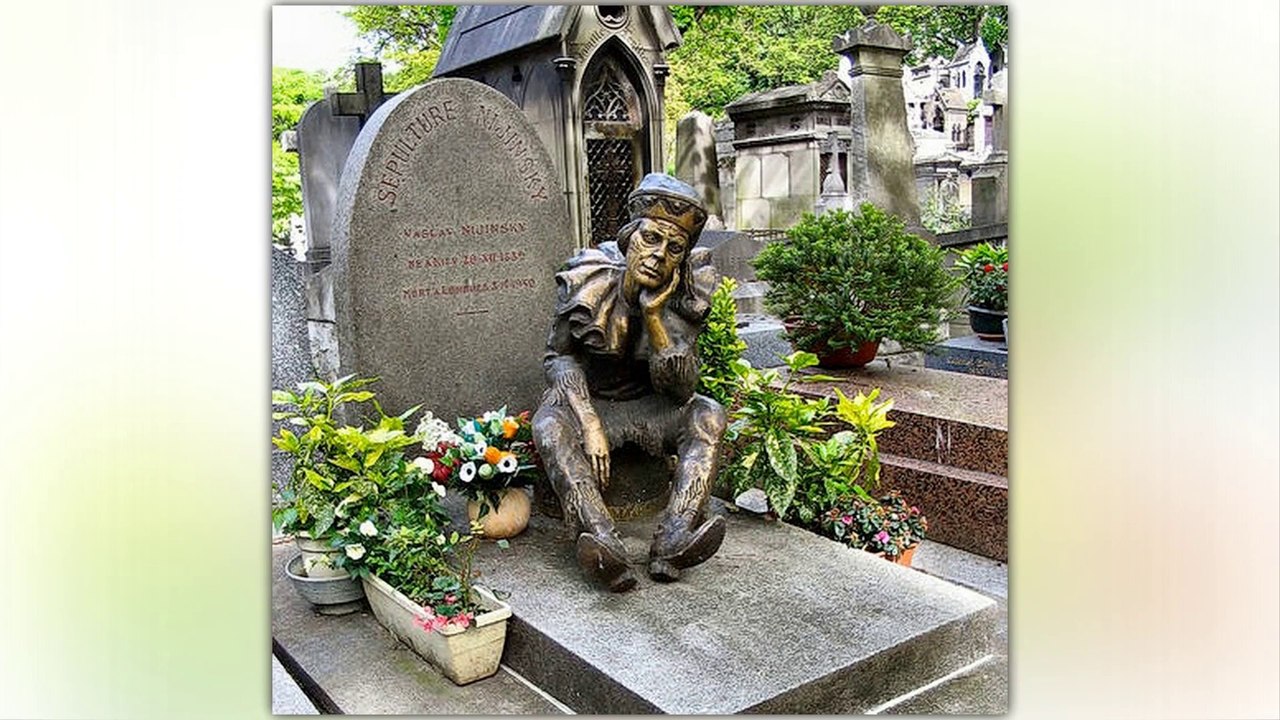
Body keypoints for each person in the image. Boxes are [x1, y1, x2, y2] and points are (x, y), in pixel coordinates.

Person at [532, 174, 727, 592]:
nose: (659, 255)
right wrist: (588, 423)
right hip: (592, 406)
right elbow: (558, 357)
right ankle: (602, 542)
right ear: (630, 238)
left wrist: (655, 319)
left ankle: (674, 537)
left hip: (651, 408)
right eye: (652, 239)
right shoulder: (588, 277)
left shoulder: (684, 295)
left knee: (708, 413)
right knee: (549, 426)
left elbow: (681, 389)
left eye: (674, 249)